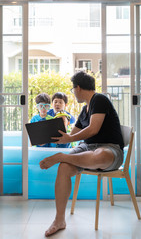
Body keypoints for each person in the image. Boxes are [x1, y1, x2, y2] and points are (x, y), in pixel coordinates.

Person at [39, 71, 124, 237]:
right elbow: (71, 134)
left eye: (72, 89)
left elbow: (93, 129)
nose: (73, 93)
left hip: (109, 148)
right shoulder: (85, 109)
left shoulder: (99, 99)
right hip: (87, 149)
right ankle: (59, 220)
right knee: (64, 168)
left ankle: (62, 157)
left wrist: (69, 139)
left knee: (100, 155)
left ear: (78, 88)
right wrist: (49, 134)